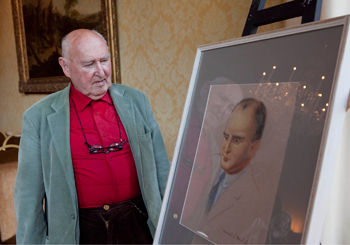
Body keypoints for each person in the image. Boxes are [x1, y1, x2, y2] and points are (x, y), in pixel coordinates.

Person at [14, 29, 170, 245]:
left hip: (138, 222)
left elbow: (163, 172)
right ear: (65, 66)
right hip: (80, 230)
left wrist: (173, 226)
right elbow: (28, 199)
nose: (101, 71)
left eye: (104, 60)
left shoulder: (136, 101)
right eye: (89, 64)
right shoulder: (38, 117)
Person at [182, 98, 268, 244]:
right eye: (226, 137)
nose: (226, 148)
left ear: (253, 148)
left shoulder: (254, 196)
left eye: (236, 141)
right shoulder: (211, 164)